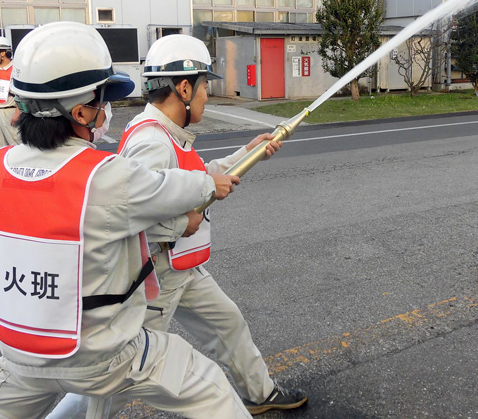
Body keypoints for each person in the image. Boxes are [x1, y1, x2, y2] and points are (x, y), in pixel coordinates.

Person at [0, 21, 252, 419]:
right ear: (80, 110)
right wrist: (209, 184)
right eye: (102, 100)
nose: (106, 111)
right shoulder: (102, 174)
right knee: (209, 387)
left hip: (15, 356)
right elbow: (167, 189)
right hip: (98, 354)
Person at [48, 35, 308, 418]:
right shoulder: (152, 141)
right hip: (157, 273)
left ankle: (260, 393)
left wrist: (248, 153)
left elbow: (193, 179)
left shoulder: (167, 131)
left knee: (228, 324)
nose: (207, 95)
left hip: (182, 267)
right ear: (184, 87)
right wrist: (181, 222)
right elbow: (135, 214)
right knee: (121, 374)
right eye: (205, 86)